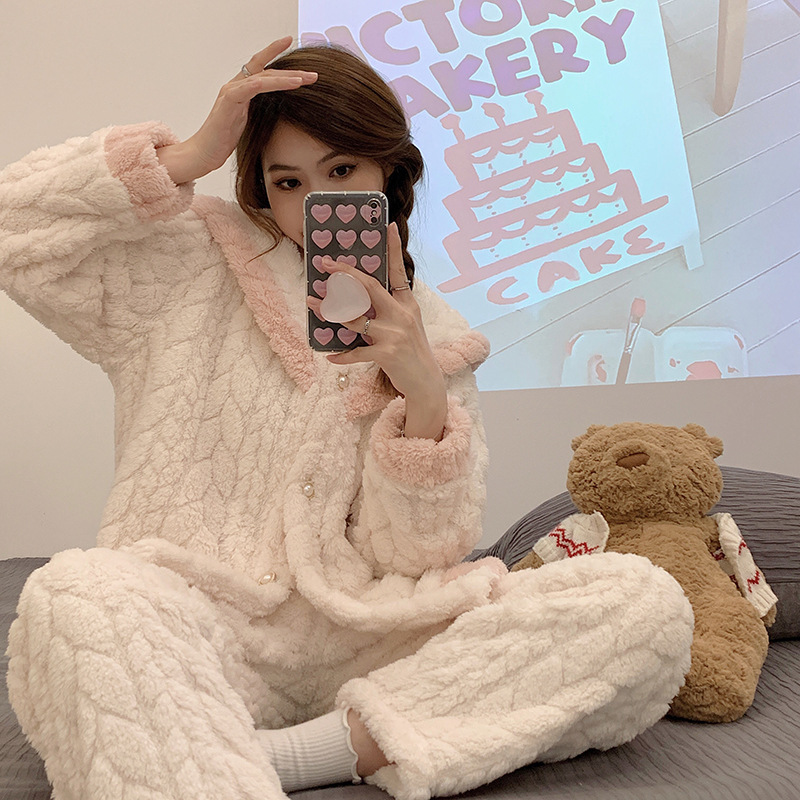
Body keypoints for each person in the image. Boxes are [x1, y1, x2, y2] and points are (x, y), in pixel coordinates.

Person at [2, 37, 694, 800]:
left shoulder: (436, 334)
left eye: (340, 172)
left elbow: (415, 556)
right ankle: (227, 743)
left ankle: (288, 755)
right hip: (205, 628)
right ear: (261, 189)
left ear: (386, 173)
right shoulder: (190, 263)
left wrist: (422, 397)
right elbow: (15, 236)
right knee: (74, 595)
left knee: (643, 604)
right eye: (287, 181)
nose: (315, 204)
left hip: (372, 639)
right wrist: (191, 154)